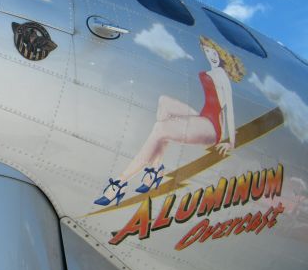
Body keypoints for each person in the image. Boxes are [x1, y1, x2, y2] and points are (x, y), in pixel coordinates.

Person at [94, 36, 246, 206]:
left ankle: (120, 182)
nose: (211, 55)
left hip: (212, 127)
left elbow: (229, 110)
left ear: (220, 54)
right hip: (204, 117)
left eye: (213, 51)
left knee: (160, 129)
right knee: (164, 102)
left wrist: (231, 142)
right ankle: (156, 167)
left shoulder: (221, 75)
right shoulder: (210, 72)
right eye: (207, 51)